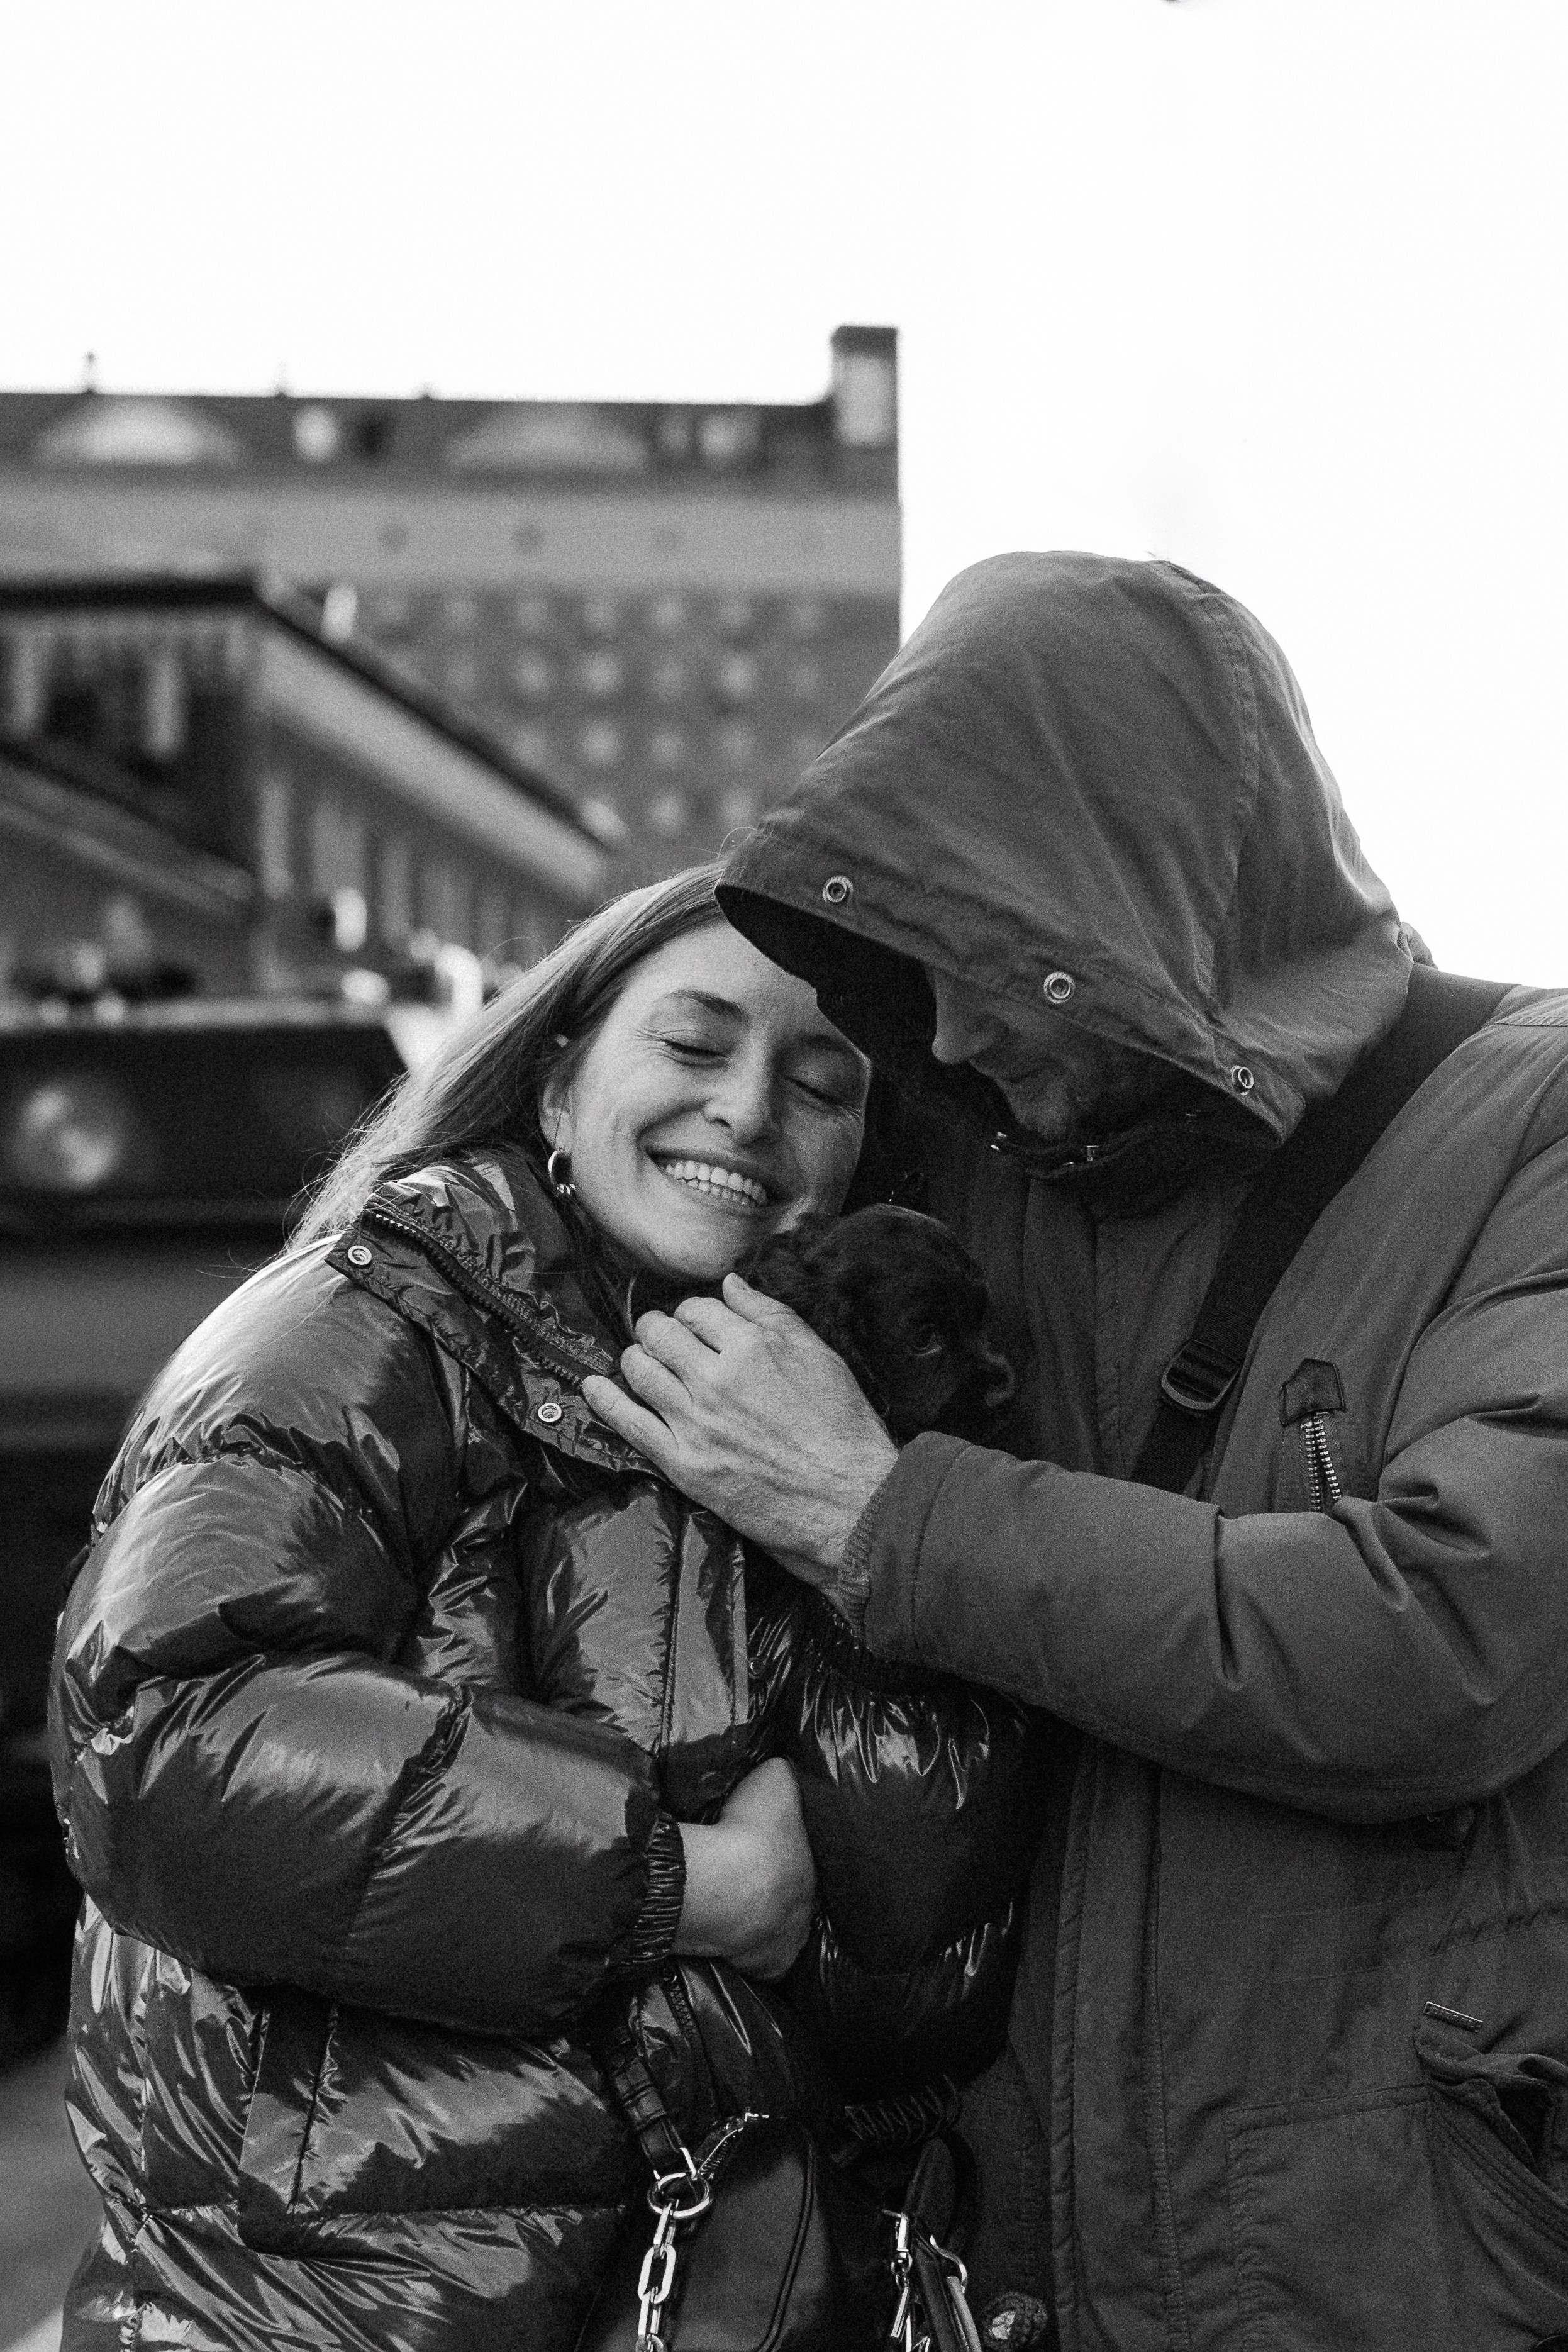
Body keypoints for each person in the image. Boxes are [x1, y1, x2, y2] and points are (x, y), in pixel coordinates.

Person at [582, 553, 1568, 2350]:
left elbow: (1448, 1642)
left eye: (988, 965)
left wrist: (882, 1514)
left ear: (1126, 911)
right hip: (984, 2276)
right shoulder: (968, 1160)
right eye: (913, 976)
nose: (946, 1034)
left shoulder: (1534, 1122)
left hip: (1390, 2276)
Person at [48, 865, 1042, 2352]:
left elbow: (911, 1992)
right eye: (692, 1044)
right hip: (316, 2310)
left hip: (680, 2293)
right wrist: (674, 1881)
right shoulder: (359, 1324)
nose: (746, 1110)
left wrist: (861, 1531)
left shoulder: (818, 1421)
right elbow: (165, 1738)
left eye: (819, 1083)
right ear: (559, 1084)